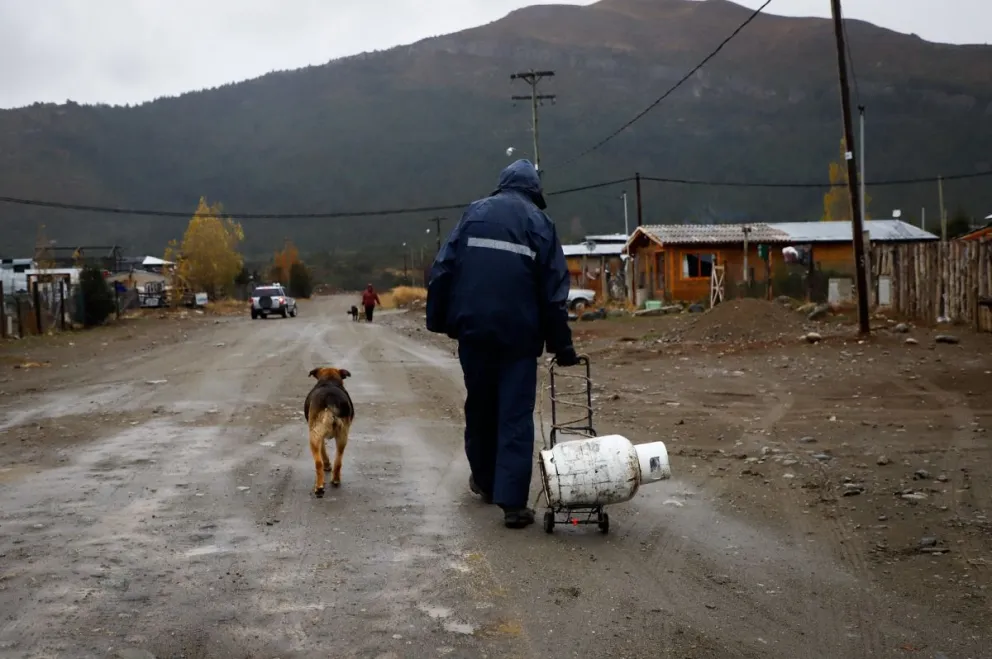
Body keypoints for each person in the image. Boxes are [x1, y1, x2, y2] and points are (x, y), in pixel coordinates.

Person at [426, 159, 579, 529]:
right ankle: (512, 503)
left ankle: (483, 480)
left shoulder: (474, 214)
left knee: (480, 405)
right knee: (513, 414)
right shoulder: (540, 224)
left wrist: (441, 321)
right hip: (519, 339)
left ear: (503, 184)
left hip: (474, 333)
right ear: (533, 190)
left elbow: (443, 269)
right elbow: (554, 294)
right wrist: (563, 345)